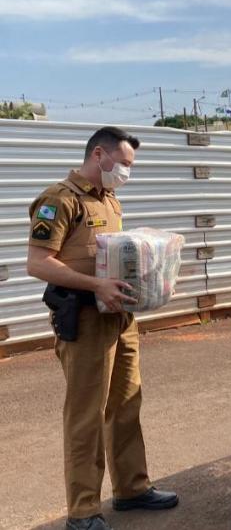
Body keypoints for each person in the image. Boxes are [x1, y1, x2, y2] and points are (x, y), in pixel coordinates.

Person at [26, 127, 178, 530]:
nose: (127, 172)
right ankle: (83, 511)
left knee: (126, 405)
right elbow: (38, 263)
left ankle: (131, 488)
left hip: (119, 317)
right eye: (124, 163)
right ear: (99, 154)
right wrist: (96, 285)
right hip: (84, 320)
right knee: (86, 416)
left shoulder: (110, 199)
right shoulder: (59, 200)